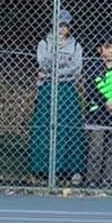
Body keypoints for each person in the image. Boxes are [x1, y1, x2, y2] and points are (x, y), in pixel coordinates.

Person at [30, 11, 85, 181]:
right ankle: (43, 168)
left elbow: (76, 69)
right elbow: (43, 63)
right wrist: (55, 65)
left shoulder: (76, 46)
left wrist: (54, 71)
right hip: (48, 89)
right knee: (46, 126)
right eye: (58, 25)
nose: (61, 29)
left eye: (64, 25)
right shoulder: (44, 43)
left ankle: (70, 168)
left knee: (69, 127)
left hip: (67, 89)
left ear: (69, 27)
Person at [82, 34, 112, 186]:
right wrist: (105, 102)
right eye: (107, 47)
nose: (110, 51)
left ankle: (107, 180)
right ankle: (92, 181)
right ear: (100, 49)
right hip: (97, 115)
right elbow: (91, 89)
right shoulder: (93, 68)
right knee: (96, 150)